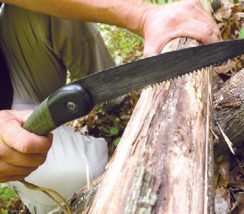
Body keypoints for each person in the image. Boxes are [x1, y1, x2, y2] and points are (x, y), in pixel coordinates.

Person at [0, 0, 221, 212]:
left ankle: (115, 100)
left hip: (15, 66)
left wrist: (144, 16)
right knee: (89, 173)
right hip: (8, 134)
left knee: (56, 10)